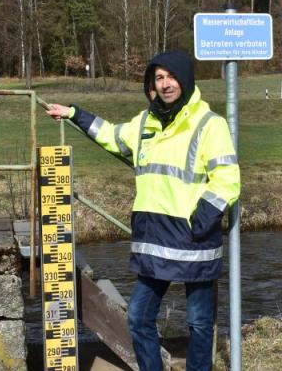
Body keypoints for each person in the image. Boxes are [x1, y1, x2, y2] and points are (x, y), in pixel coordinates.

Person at [46, 49, 240, 371]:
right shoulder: (144, 123)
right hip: (155, 240)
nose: (165, 84)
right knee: (138, 318)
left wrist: (201, 222)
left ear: (185, 79)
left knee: (199, 324)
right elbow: (110, 135)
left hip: (194, 241)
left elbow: (227, 180)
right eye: (159, 78)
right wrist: (73, 114)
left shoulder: (210, 124)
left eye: (171, 76)